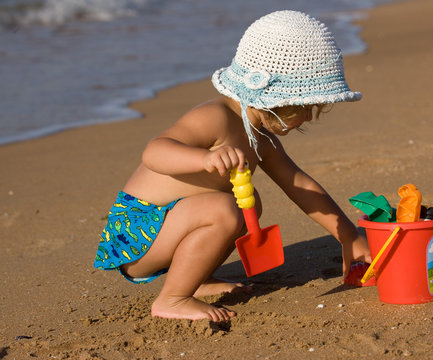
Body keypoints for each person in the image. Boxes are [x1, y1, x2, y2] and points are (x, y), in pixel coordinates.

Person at [93, 10, 372, 323]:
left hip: (172, 227)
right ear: (270, 97)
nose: (308, 117)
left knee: (248, 203)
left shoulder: (261, 139)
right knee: (225, 209)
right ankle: (172, 299)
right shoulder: (214, 117)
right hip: (138, 232)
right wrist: (204, 158)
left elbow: (301, 186)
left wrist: (349, 236)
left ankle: (195, 279)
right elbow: (154, 152)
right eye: (305, 106)